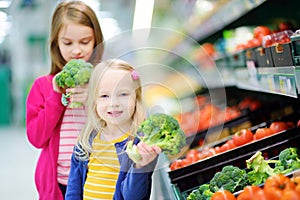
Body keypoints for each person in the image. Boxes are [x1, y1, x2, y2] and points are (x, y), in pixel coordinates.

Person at [25, 1, 104, 200]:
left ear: (96, 41)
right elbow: (36, 138)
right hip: (57, 184)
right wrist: (56, 97)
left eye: (85, 42)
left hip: (97, 181)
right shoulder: (43, 86)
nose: (76, 51)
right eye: (67, 43)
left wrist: (95, 98)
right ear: (55, 44)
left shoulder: (104, 81)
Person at [65, 59, 161, 200]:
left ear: (136, 97)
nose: (113, 103)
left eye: (123, 94)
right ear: (94, 101)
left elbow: (133, 197)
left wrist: (139, 166)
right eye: (104, 96)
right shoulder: (85, 142)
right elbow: (73, 191)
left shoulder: (141, 145)